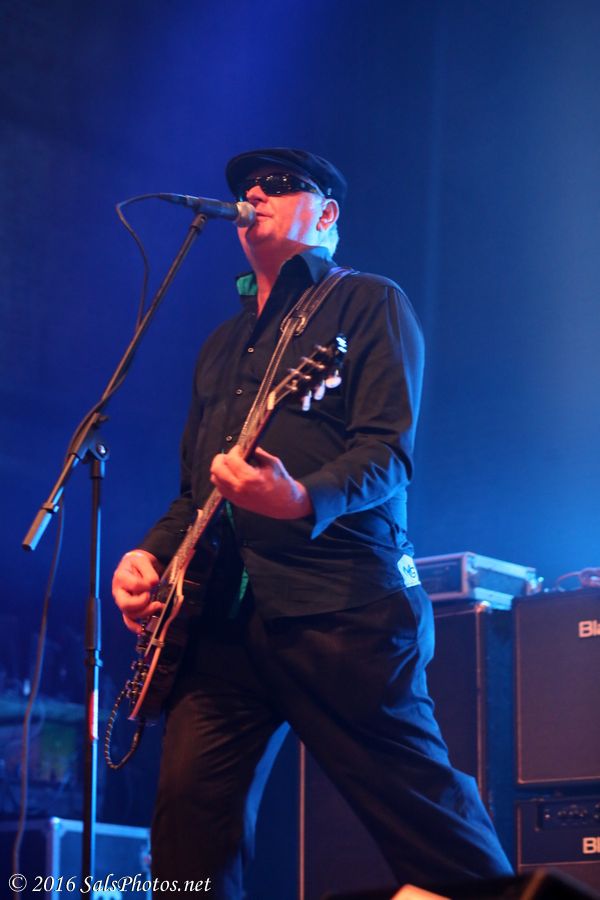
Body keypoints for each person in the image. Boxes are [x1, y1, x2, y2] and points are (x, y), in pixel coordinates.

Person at [112, 147, 512, 897]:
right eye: (246, 187)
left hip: (343, 607)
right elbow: (194, 493)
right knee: (186, 833)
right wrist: (149, 556)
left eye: (279, 185)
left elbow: (388, 454)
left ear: (327, 214)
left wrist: (300, 498)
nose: (254, 194)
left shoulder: (368, 302)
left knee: (428, 819)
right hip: (222, 622)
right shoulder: (222, 345)